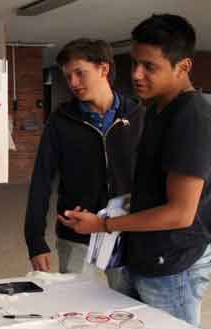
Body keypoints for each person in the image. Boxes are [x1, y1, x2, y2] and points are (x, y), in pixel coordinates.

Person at [60, 14, 211, 329]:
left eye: (150, 66)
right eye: (134, 63)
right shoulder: (156, 110)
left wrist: (106, 224)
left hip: (173, 266)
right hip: (140, 256)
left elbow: (180, 212)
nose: (136, 75)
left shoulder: (193, 118)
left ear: (183, 66)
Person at [24, 38, 144, 274]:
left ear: (104, 69)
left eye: (80, 73)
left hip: (124, 232)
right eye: (68, 76)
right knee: (74, 298)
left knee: (123, 298)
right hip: (75, 232)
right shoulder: (60, 120)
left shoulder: (139, 115)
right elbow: (41, 179)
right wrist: (35, 240)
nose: (73, 83)